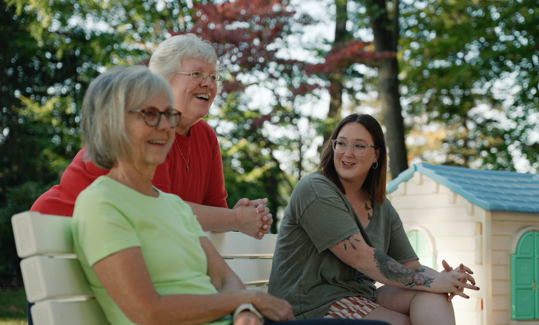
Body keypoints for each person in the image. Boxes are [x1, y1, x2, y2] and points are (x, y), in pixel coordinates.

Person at [72, 65, 391, 325]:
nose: (165, 126)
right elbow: (148, 311)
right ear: (111, 123)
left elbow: (226, 279)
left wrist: (243, 312)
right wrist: (245, 300)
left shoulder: (172, 206)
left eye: (168, 114)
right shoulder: (102, 204)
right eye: (149, 115)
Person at [30, 34, 271, 239]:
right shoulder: (148, 128)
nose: (208, 83)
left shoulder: (206, 137)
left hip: (125, 243)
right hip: (63, 232)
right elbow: (159, 208)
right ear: (162, 80)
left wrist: (237, 217)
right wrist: (233, 219)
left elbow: (213, 212)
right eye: (197, 74)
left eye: (213, 76)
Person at [268, 114, 479, 325]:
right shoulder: (315, 189)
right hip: (309, 304)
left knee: (432, 295)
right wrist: (431, 282)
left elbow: (411, 266)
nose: (347, 153)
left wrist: (446, 280)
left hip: (360, 296)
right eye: (341, 143)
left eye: (359, 146)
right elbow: (362, 257)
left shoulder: (381, 206)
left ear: (376, 155)